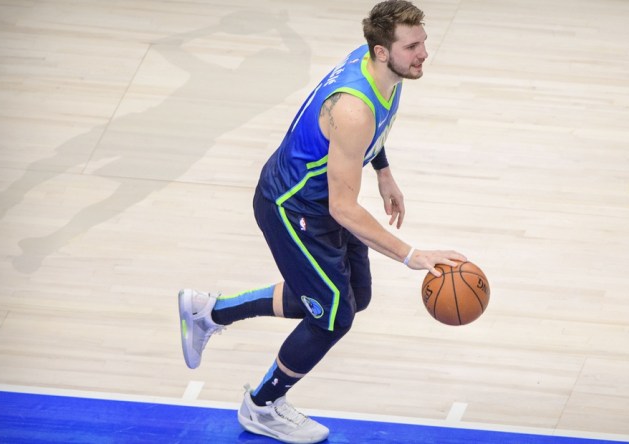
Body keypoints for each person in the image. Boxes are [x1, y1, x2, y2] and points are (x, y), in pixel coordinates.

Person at [178, 1, 465, 442]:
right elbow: (343, 209)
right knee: (332, 316)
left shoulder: (382, 68)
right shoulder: (353, 108)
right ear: (382, 51)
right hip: (291, 208)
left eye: (423, 42)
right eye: (413, 46)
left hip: (318, 199)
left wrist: (383, 170)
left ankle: (209, 311)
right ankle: (262, 404)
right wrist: (411, 255)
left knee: (352, 296)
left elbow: (375, 133)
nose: (424, 53)